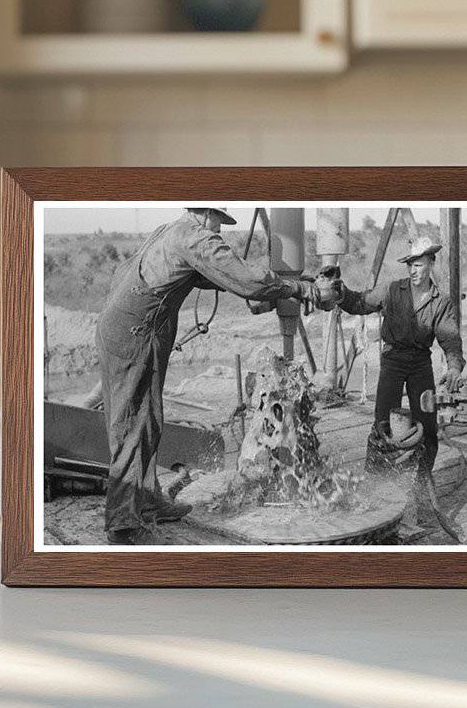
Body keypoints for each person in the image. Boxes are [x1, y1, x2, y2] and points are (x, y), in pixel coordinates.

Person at [96, 206, 318, 545]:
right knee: (133, 424)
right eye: (219, 221)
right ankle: (123, 524)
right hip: (136, 333)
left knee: (148, 419)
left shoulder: (169, 230)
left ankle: (148, 497)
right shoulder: (194, 236)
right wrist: (297, 288)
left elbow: (211, 273)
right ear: (205, 214)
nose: (220, 229)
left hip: (122, 327)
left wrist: (273, 283)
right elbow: (248, 282)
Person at [336, 235, 465, 486]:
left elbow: (450, 338)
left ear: (431, 263)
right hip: (393, 360)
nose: (413, 270)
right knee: (383, 423)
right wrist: (339, 291)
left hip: (420, 364)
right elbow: (359, 303)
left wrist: (454, 367)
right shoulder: (392, 290)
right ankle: (376, 482)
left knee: (427, 426)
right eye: (410, 265)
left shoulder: (440, 302)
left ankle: (422, 485)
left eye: (418, 265)